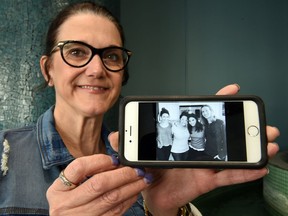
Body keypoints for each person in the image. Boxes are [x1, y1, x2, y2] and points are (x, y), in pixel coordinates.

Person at [0, 2, 280, 216]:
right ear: (47, 69)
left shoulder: (146, 165)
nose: (97, 69)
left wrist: (163, 209)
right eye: (76, 52)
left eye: (111, 56)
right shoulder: (3, 154)